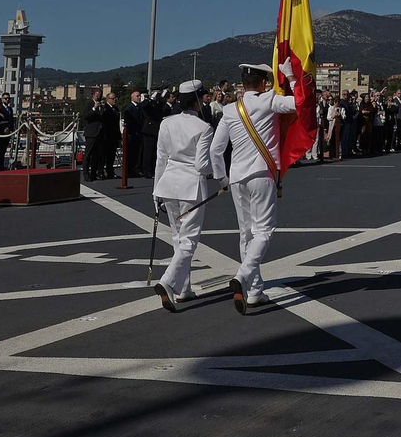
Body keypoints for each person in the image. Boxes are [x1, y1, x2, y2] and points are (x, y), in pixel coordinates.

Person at [209, 60, 306, 314]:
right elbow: (299, 104)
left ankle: (255, 290)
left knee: (246, 233)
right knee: (263, 232)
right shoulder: (269, 100)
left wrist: (222, 179)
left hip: (237, 177)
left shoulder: (230, 109)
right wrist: (291, 78)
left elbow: (215, 150)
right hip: (262, 174)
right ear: (264, 83)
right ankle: (243, 276)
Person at [151, 79, 216, 311]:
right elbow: (202, 165)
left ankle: (184, 288)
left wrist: (156, 190)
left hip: (168, 183)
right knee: (189, 239)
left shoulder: (166, 123)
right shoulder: (204, 127)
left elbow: (161, 159)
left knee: (177, 237)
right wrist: (218, 173)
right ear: (198, 100)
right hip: (191, 185)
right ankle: (168, 281)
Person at [122, 90, 144, 178]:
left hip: (138, 134)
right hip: (132, 134)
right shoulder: (129, 107)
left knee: (136, 154)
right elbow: (128, 121)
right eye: (137, 96)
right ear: (132, 97)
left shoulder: (139, 107)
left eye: (139, 96)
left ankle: (134, 169)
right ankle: (129, 171)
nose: (139, 98)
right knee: (130, 154)